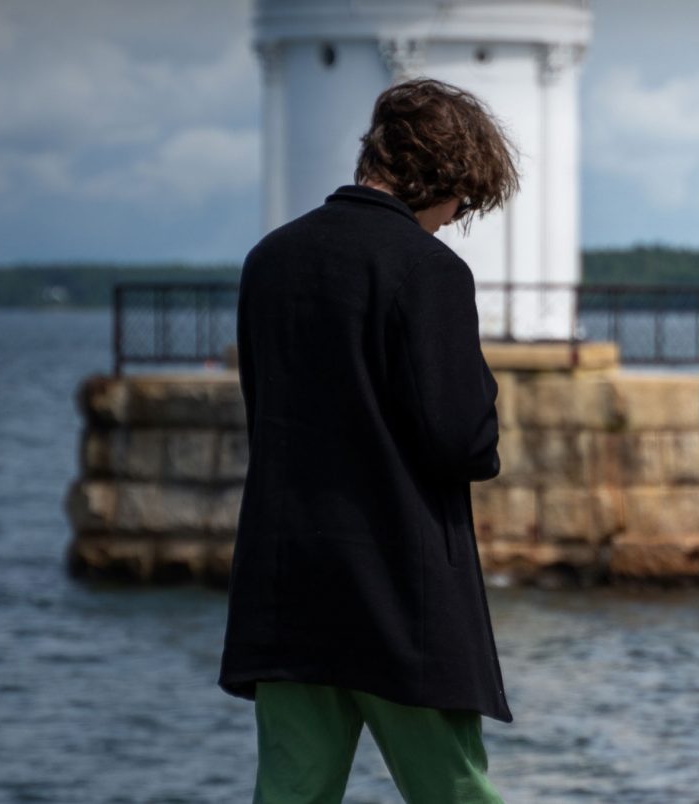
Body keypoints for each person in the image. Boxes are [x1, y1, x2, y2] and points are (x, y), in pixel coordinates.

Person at [219, 78, 519, 804]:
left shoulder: (271, 260)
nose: (453, 222)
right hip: (400, 589)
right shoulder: (427, 270)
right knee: (454, 791)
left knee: (290, 792)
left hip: (287, 583)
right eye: (463, 204)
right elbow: (462, 441)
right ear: (446, 176)